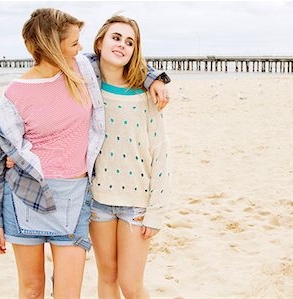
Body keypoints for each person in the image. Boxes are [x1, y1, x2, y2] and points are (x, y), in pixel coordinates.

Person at [0, 8, 170, 298]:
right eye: (73, 43)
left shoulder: (82, 72)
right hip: (37, 197)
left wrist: (154, 78)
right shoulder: (21, 92)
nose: (79, 48)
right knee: (34, 289)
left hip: (82, 197)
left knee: (82, 290)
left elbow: (118, 61)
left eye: (79, 43)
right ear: (52, 46)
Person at [89, 15, 171, 299]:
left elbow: (160, 152)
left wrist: (157, 209)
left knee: (131, 284)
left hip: (137, 204)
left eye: (130, 42)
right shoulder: (87, 90)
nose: (122, 45)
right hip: (98, 201)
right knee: (107, 278)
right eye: (115, 37)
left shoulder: (146, 94)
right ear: (100, 42)